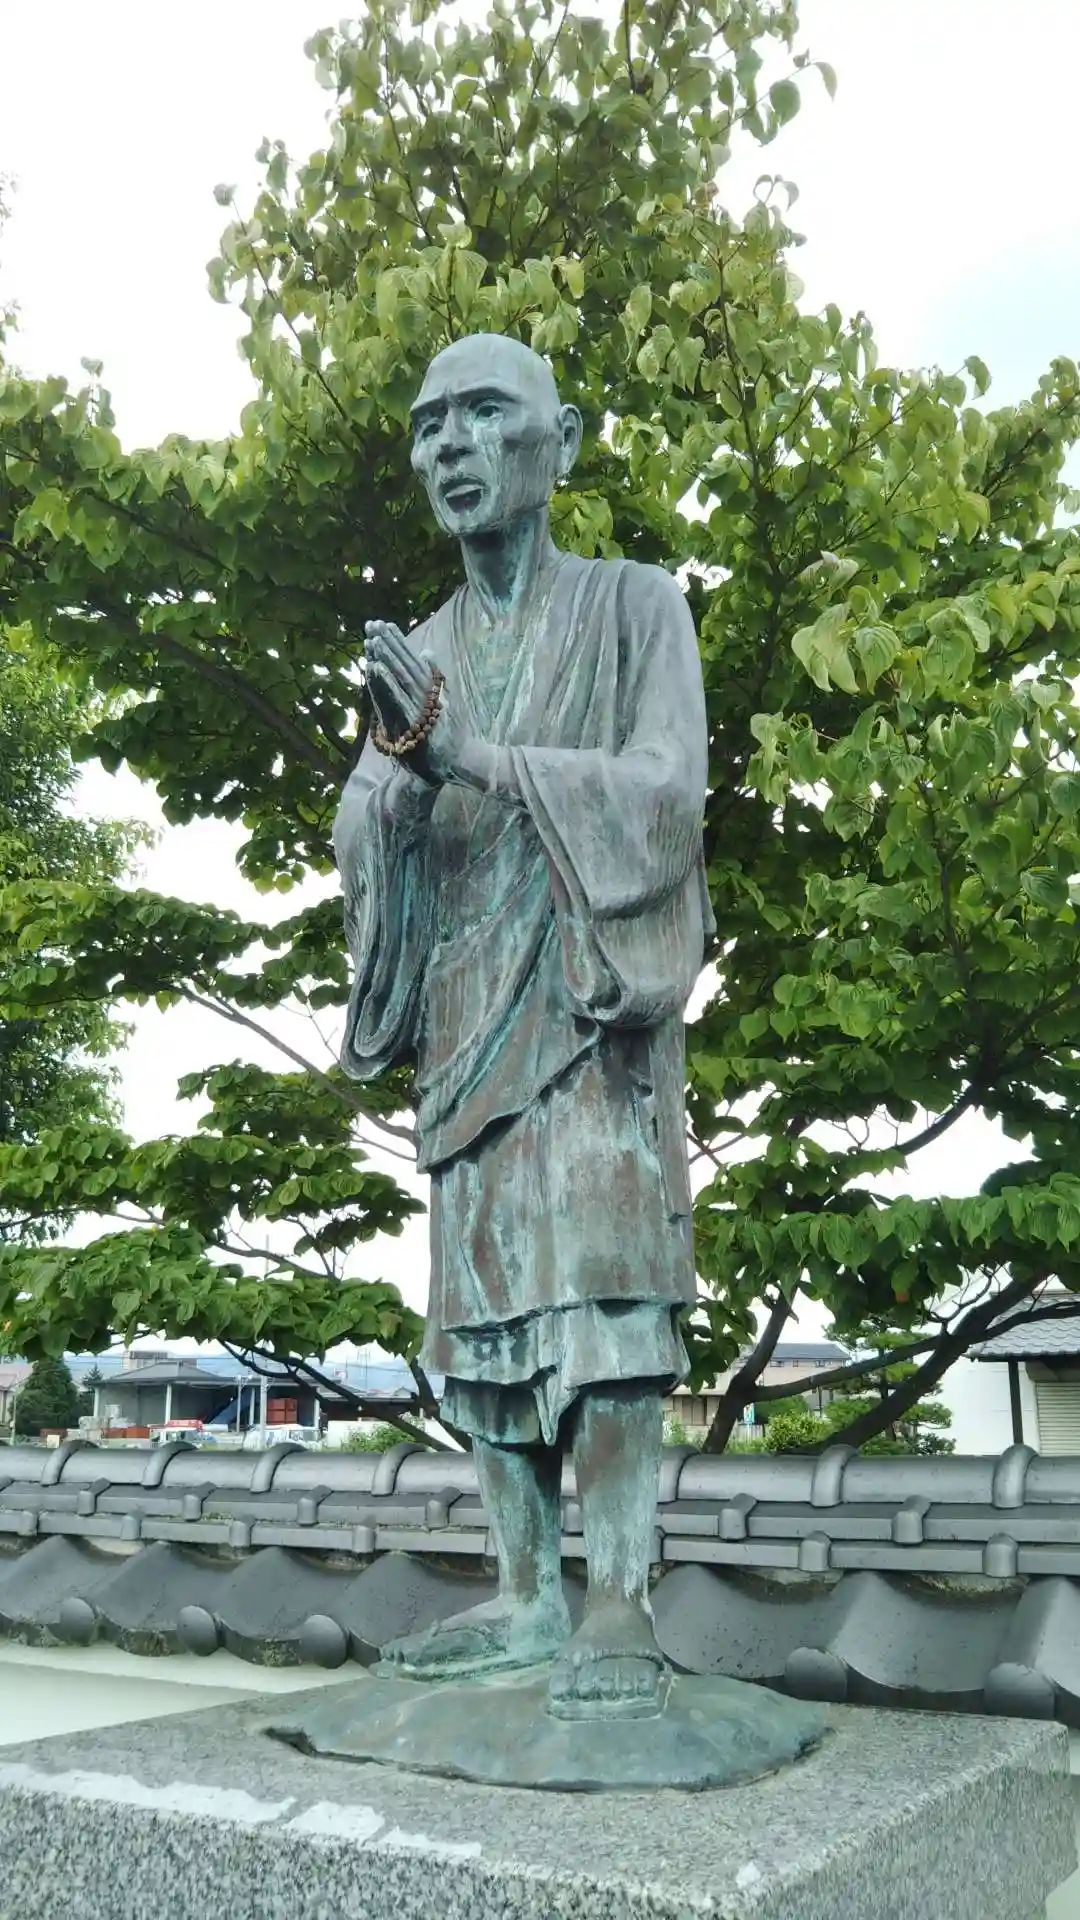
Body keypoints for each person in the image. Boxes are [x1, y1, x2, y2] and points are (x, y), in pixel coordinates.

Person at [333, 332, 712, 1718]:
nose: (451, 444)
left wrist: (472, 756)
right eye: (428, 423)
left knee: (606, 1280)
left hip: (592, 1008)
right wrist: (393, 786)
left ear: (562, 439)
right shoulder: (420, 653)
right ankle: (523, 1586)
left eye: (485, 413)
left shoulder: (637, 609)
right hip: (468, 1014)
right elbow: (367, 833)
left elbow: (666, 792)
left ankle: (618, 1598)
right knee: (483, 1299)